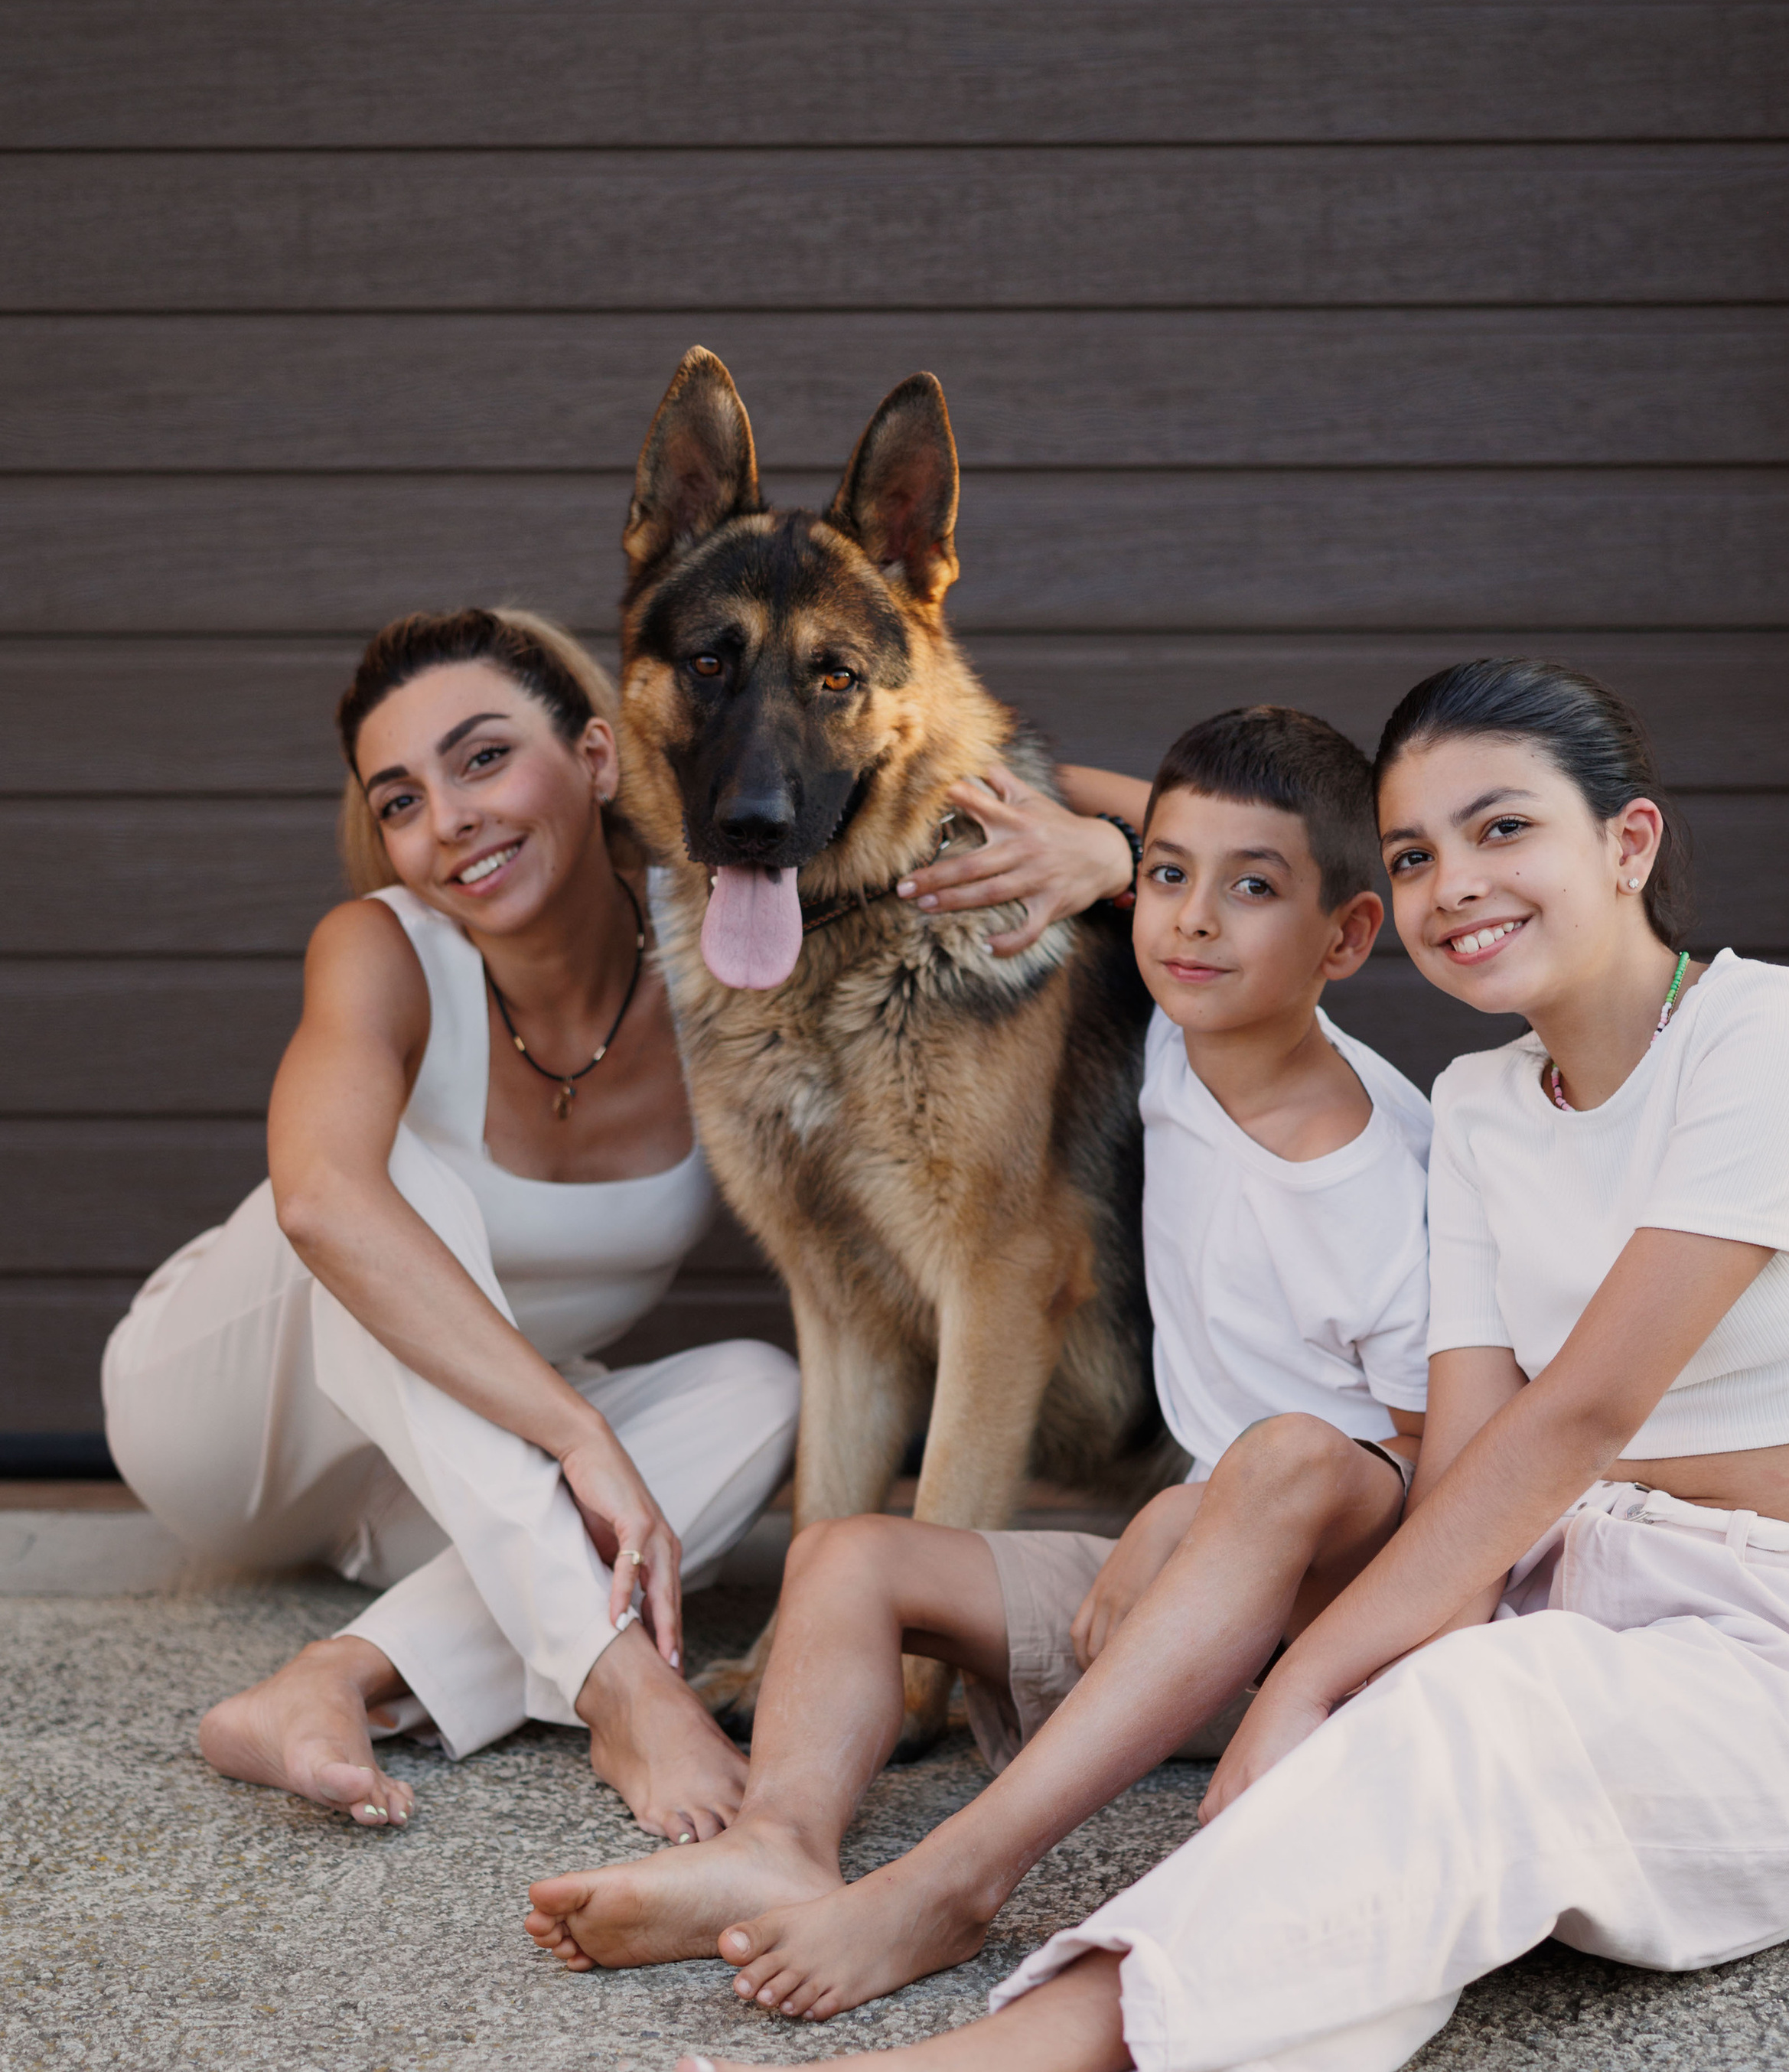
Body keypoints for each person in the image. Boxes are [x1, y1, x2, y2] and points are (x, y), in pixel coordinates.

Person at [669, 655, 1789, 2072]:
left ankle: (990, 2065)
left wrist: (1310, 1686)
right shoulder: (1488, 1106)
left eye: (1500, 830)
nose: (1451, 886)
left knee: (1444, 1721)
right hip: (1523, 1594)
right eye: (1413, 853)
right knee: (1430, 1774)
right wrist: (1101, 844)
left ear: (1625, 842)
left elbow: (1569, 1421)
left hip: (1766, 1665)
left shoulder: (1770, 1039)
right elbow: (1478, 1470)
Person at [525, 705, 1431, 2005]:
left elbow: (1436, 1469)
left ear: (1347, 937)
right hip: (1142, 1606)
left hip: (1308, 1632)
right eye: (1169, 879)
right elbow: (1142, 813)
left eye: (1251, 893)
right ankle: (778, 1845)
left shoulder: (1366, 1173)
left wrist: (1194, 1523)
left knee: (1289, 1458)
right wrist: (1096, 843)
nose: (1191, 921)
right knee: (842, 1554)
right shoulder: (1188, 1036)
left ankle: (953, 1881)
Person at [103, 608, 800, 1840]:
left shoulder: (721, 949)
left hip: (439, 1469)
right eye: (401, 800)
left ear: (596, 756)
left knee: (758, 1390)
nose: (449, 819)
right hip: (223, 1416)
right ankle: (623, 1687)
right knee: (386, 1188)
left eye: (482, 759)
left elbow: (950, 787)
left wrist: (1109, 846)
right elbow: (321, 1201)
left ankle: (341, 1679)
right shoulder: (384, 946)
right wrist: (575, 1429)